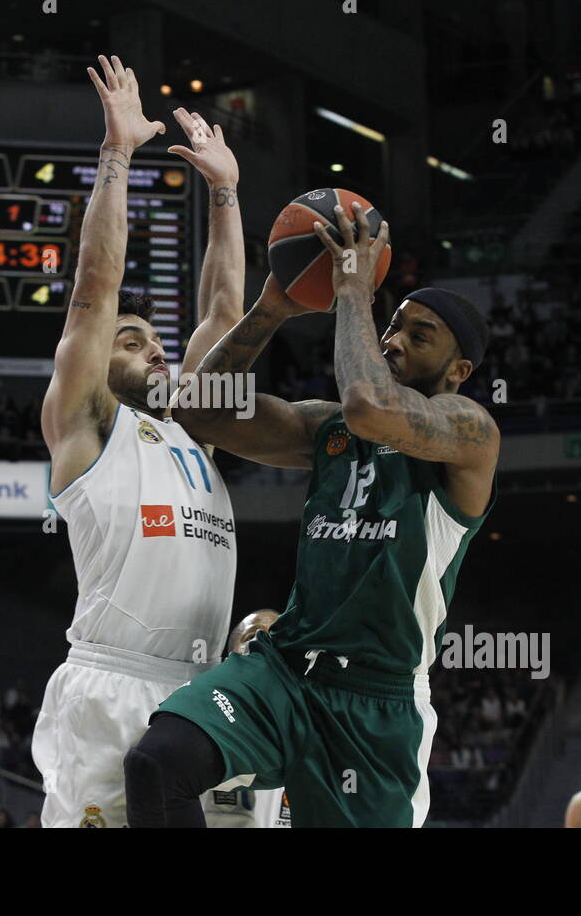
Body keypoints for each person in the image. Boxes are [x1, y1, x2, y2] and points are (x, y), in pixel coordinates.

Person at [125, 204, 500, 827]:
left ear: (459, 371)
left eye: (418, 335)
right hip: (287, 667)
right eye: (394, 325)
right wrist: (273, 306)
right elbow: (199, 411)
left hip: (376, 703)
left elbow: (369, 405)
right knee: (157, 765)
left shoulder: (470, 432)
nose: (394, 340)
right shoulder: (325, 428)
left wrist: (353, 290)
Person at [32, 54, 246, 827]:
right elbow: (94, 288)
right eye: (132, 341)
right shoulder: (87, 427)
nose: (156, 349)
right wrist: (117, 154)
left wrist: (224, 193)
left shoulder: (197, 432)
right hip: (111, 687)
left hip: (206, 691)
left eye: (159, 340)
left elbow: (225, 317)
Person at [200, 609, 291, 828]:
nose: (260, 646)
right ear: (228, 659)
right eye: (251, 636)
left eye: (273, 639)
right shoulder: (192, 725)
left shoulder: (311, 738)